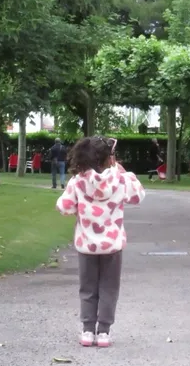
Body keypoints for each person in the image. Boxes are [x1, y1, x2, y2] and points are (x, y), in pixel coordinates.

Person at [56, 136, 146, 347]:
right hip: (112, 246)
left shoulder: (78, 181)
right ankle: (104, 332)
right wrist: (124, 172)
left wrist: (79, 208)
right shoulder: (120, 180)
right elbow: (138, 196)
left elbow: (64, 207)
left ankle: (88, 330)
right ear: (109, 159)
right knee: (109, 288)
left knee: (87, 288)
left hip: (87, 245)